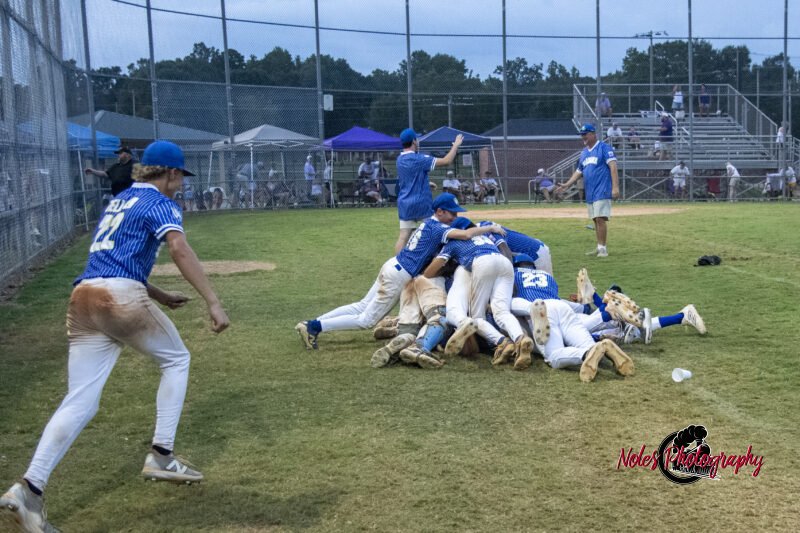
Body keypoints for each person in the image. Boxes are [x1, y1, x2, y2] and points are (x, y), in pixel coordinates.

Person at [0, 141, 230, 532]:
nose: (180, 185)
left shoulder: (120, 200)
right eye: (180, 178)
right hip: (118, 297)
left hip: (84, 298)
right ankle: (161, 454)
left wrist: (158, 293)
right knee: (177, 360)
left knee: (80, 401)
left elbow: (113, 258)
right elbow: (179, 248)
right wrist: (213, 301)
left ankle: (29, 489)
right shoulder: (161, 201)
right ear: (170, 173)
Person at [295, 193, 503, 350]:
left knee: (360, 306)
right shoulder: (437, 227)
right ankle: (314, 326)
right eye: (451, 213)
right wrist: (490, 228)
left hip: (393, 264)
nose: (454, 216)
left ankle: (313, 323)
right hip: (399, 273)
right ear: (439, 211)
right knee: (366, 320)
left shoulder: (428, 223)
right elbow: (466, 235)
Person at [393, 129, 463, 254]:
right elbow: (447, 161)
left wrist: (426, 184)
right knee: (434, 231)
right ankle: (438, 259)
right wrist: (456, 146)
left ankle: (398, 264)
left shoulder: (399, 160)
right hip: (421, 202)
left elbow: (409, 179)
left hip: (404, 203)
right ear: (414, 141)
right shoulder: (419, 159)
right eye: (417, 139)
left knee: (403, 236)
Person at [556, 123, 619, 258]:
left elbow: (613, 167)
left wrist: (615, 187)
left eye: (585, 135)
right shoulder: (584, 153)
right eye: (582, 135)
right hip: (590, 191)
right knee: (595, 220)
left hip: (602, 189)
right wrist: (567, 184)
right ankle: (599, 247)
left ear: (593, 134)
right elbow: (579, 172)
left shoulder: (604, 148)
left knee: (600, 218)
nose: (583, 137)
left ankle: (603, 250)